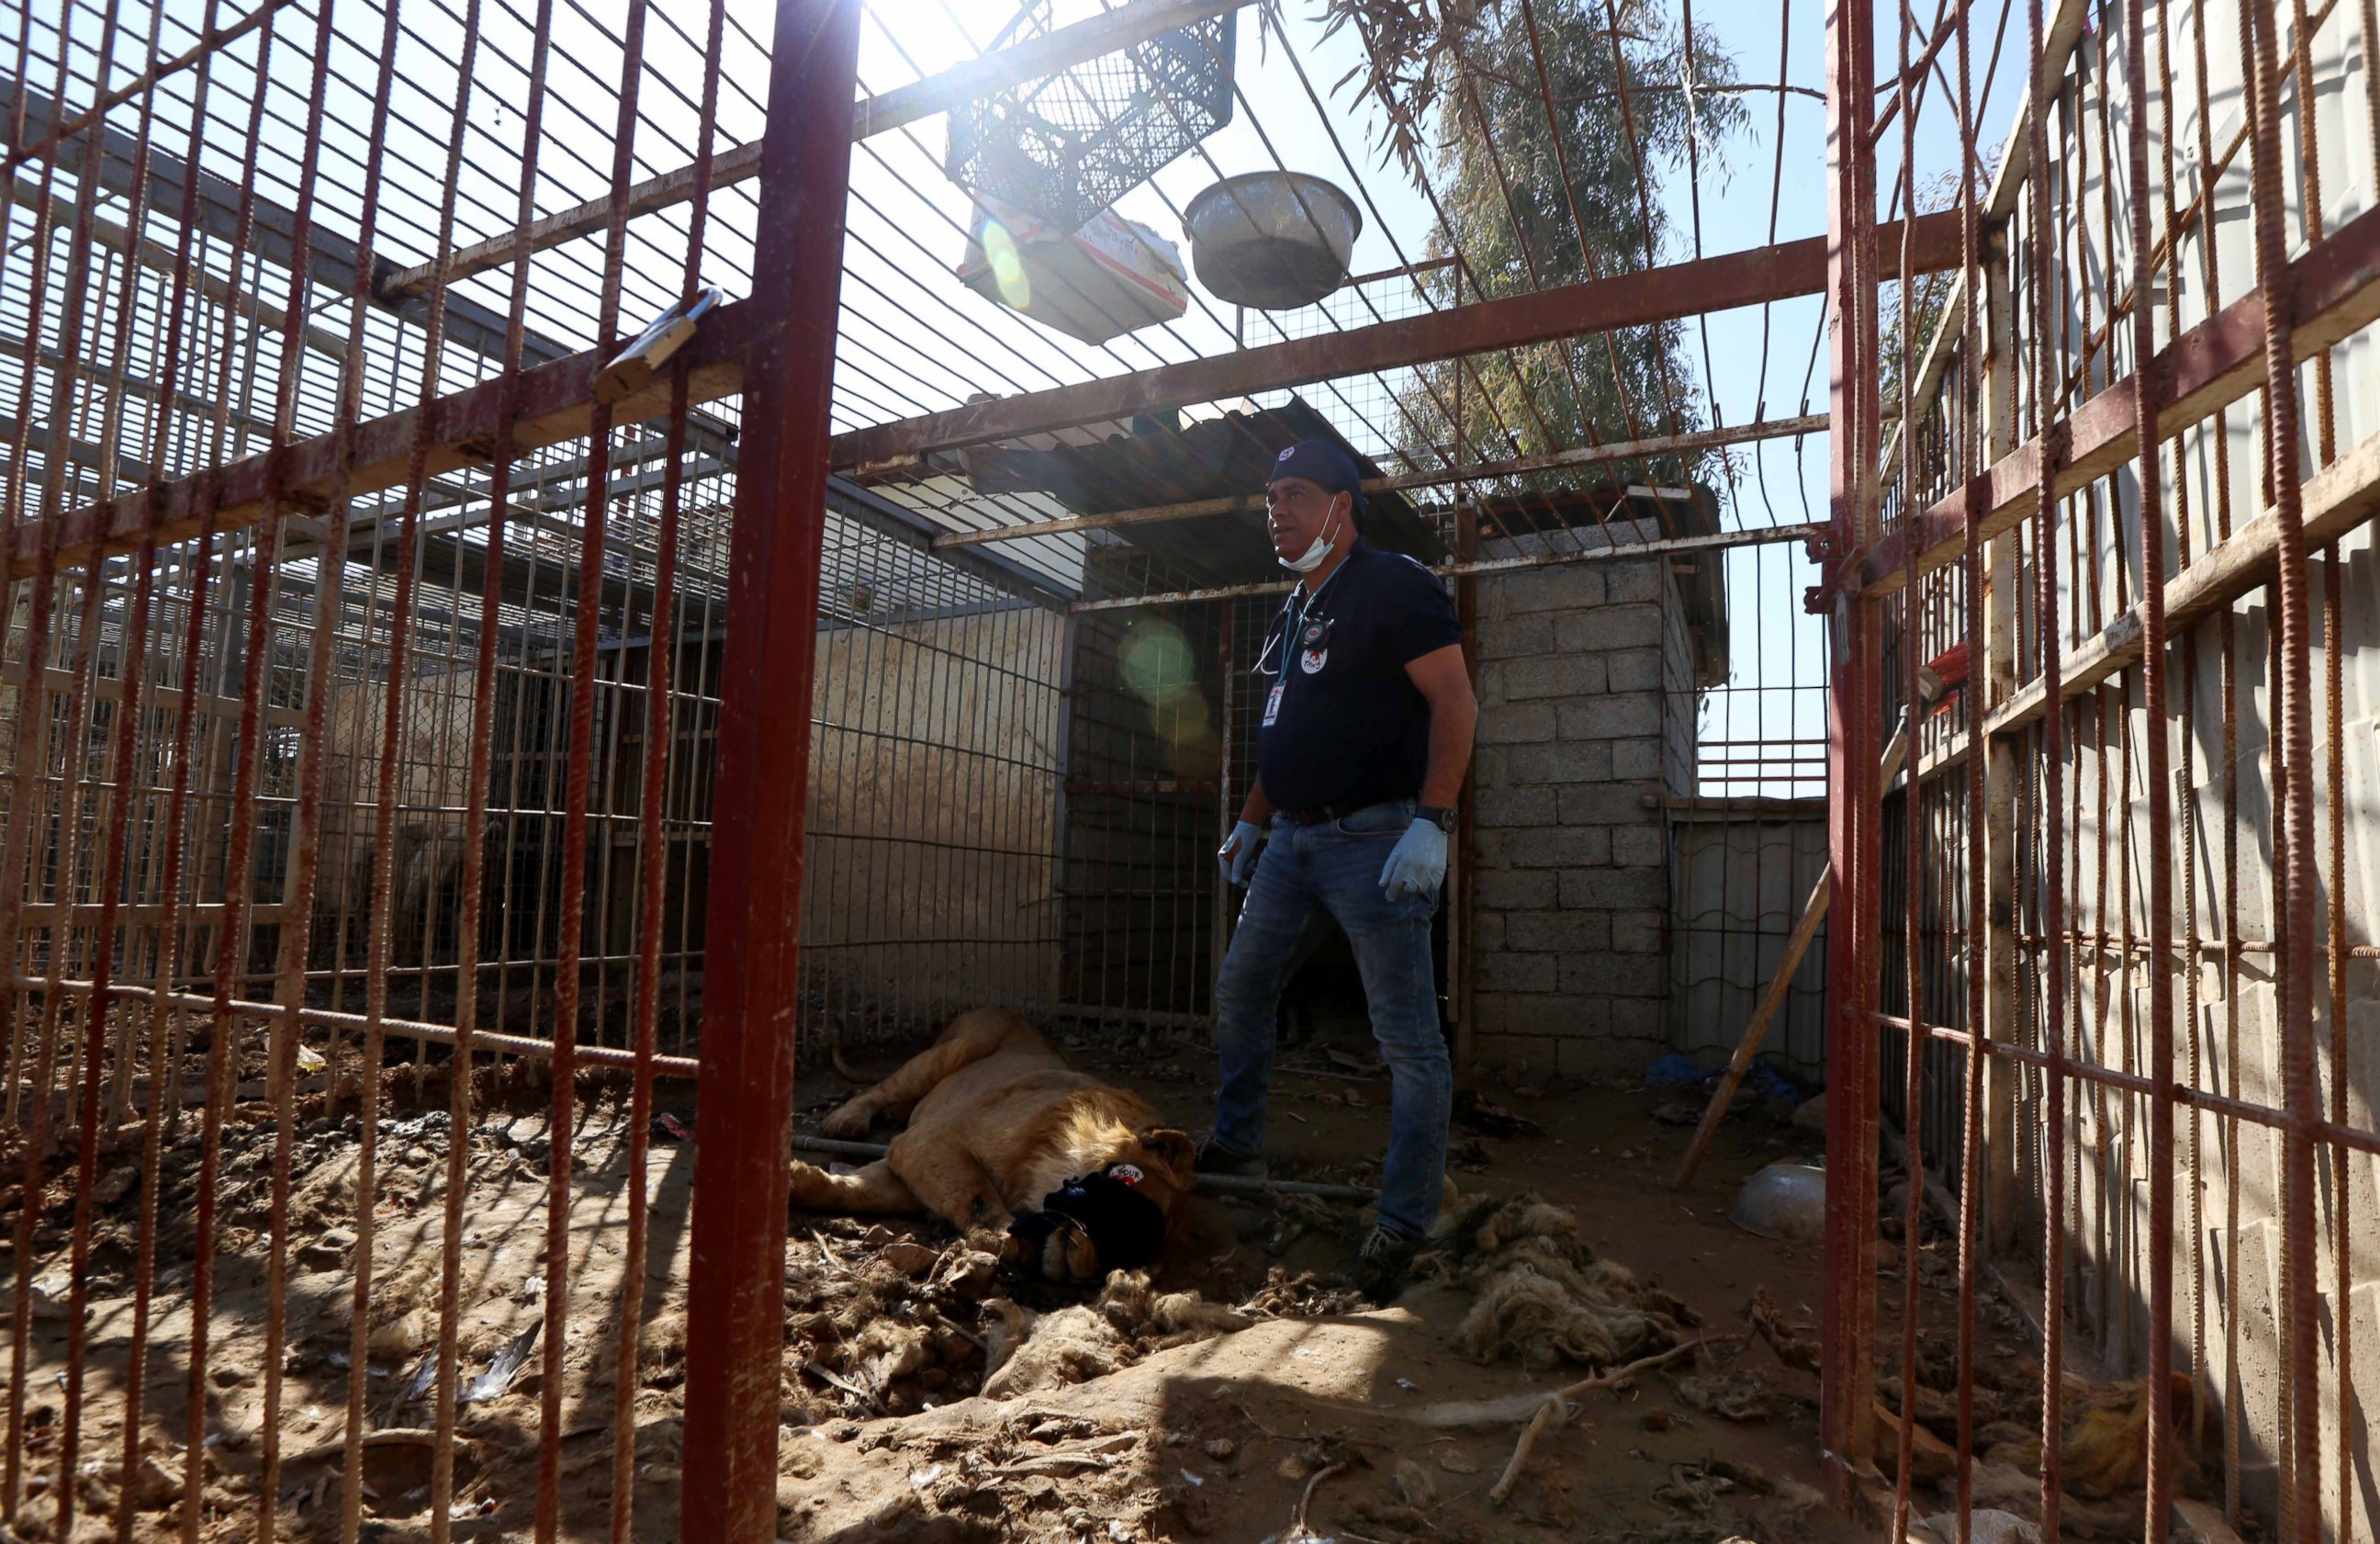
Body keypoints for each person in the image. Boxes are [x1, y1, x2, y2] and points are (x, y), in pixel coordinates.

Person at [1204, 439, 1477, 1301]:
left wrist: (1432, 822)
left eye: (1293, 494)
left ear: (1341, 505)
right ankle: (1238, 1139)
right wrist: (1252, 823)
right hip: (1290, 840)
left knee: (1407, 1036)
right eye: (1269, 497)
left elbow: (1455, 702)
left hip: (1375, 840)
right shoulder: (1295, 609)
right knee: (1242, 988)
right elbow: (1284, 732)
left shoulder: (1394, 584)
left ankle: (1405, 1215)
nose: (1275, 510)